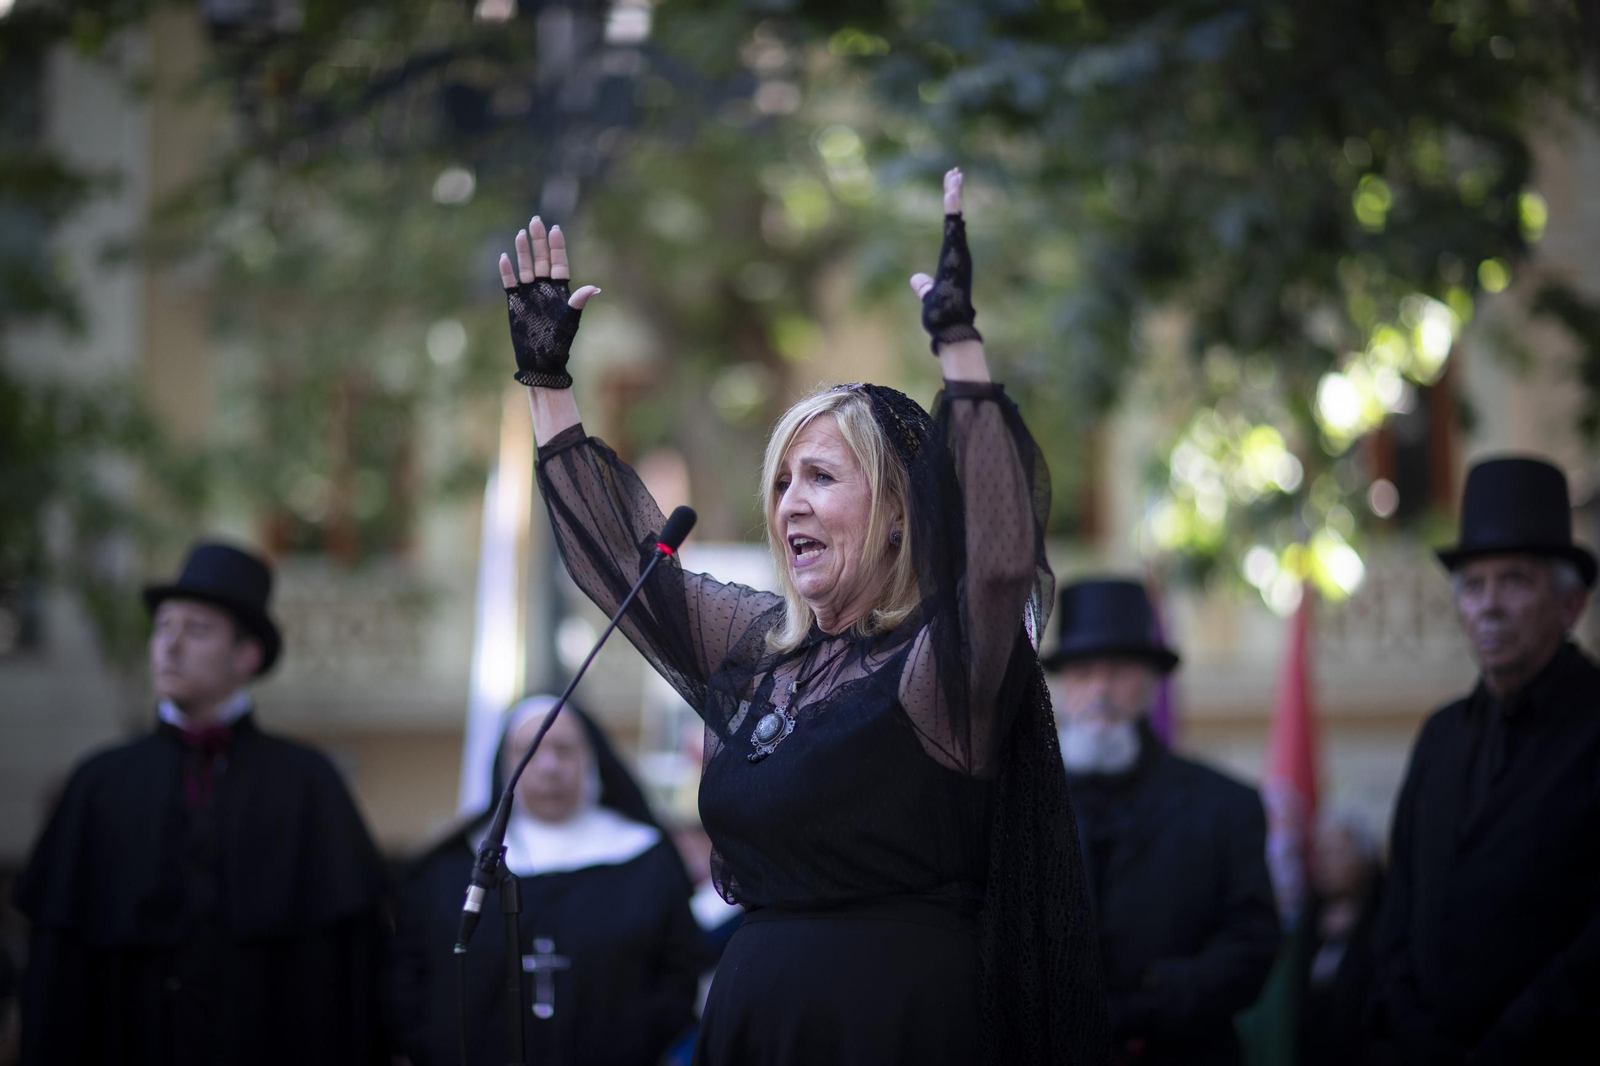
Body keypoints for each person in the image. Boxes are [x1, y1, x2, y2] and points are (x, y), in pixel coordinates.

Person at [495, 167, 1106, 1064]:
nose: (789, 506)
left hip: (896, 1027)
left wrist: (963, 359)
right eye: (780, 482)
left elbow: (1002, 560)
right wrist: (547, 378)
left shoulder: (936, 669)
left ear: (900, 510)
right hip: (754, 1024)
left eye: (821, 477)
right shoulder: (763, 656)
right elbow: (623, 565)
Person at [12, 542, 390, 1066]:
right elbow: (57, 977)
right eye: (163, 628)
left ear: (247, 655)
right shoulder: (99, 784)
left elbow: (348, 974)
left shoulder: (308, 785)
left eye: (196, 630)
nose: (170, 646)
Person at [1367, 456, 1600, 1064]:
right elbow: (1396, 910)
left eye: (1515, 581)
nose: (1489, 605)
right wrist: (1413, 1032)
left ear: (1570, 607)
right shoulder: (1441, 735)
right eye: (1473, 585)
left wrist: (1509, 1042)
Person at [389, 694, 702, 1066]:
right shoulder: (452, 869)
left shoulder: (645, 861)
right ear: (504, 765)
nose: (549, 767)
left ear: (592, 759)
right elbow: (412, 979)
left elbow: (680, 975)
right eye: (530, 751)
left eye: (565, 749)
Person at [1044, 577, 1279, 1066]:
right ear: (1063, 689)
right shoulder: (1019, 807)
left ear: (1151, 684)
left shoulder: (1225, 806)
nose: (1101, 690)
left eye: (1119, 671)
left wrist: (1148, 1005)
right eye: (1084, 672)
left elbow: (1252, 945)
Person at [1296, 809, 1383, 1066]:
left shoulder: (1383, 920)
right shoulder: (1308, 920)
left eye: (1334, 853)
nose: (1323, 865)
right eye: (1319, 854)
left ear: (1363, 858)